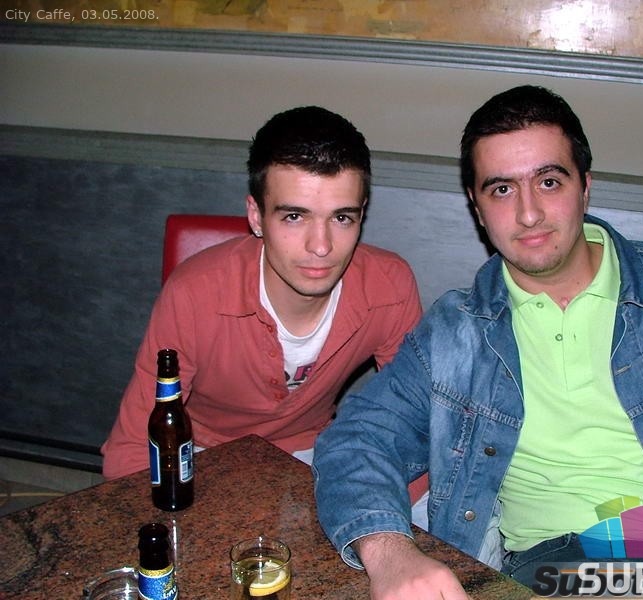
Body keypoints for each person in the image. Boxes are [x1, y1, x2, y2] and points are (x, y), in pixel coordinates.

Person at [313, 85, 643, 597]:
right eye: (502, 190)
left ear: (585, 187)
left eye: (548, 182)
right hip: (559, 569)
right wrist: (390, 554)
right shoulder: (456, 334)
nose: (529, 214)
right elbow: (359, 438)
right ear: (477, 207)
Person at [102, 106, 423, 479]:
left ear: (361, 215)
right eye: (294, 217)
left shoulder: (390, 286)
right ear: (256, 216)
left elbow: (412, 425)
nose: (321, 246)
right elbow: (133, 450)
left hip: (314, 453)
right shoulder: (193, 294)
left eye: (341, 218)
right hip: (202, 455)